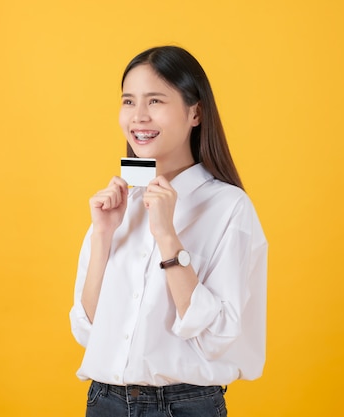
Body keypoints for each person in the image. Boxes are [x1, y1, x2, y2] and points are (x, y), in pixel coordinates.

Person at [69, 45, 268, 417]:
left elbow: (217, 336)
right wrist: (102, 237)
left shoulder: (228, 207)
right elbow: (88, 331)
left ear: (195, 112)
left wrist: (167, 237)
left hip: (182, 406)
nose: (138, 116)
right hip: (104, 402)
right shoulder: (118, 206)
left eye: (155, 100)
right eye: (128, 101)